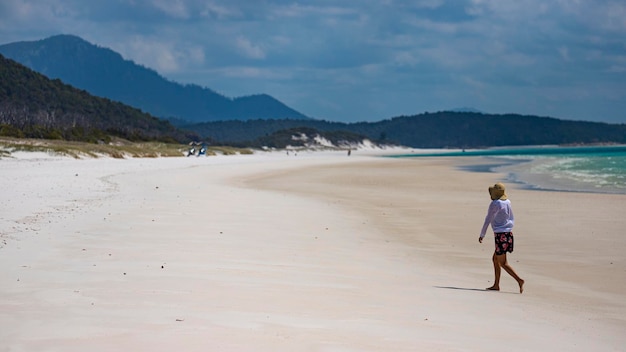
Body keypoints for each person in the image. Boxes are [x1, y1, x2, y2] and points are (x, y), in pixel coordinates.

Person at [479, 183, 524, 293]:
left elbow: (488, 219)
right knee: (495, 259)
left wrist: (482, 234)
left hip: (500, 235)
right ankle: (496, 284)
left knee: (503, 263)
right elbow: (511, 217)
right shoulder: (507, 202)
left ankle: (519, 280)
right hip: (508, 234)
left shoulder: (495, 203)